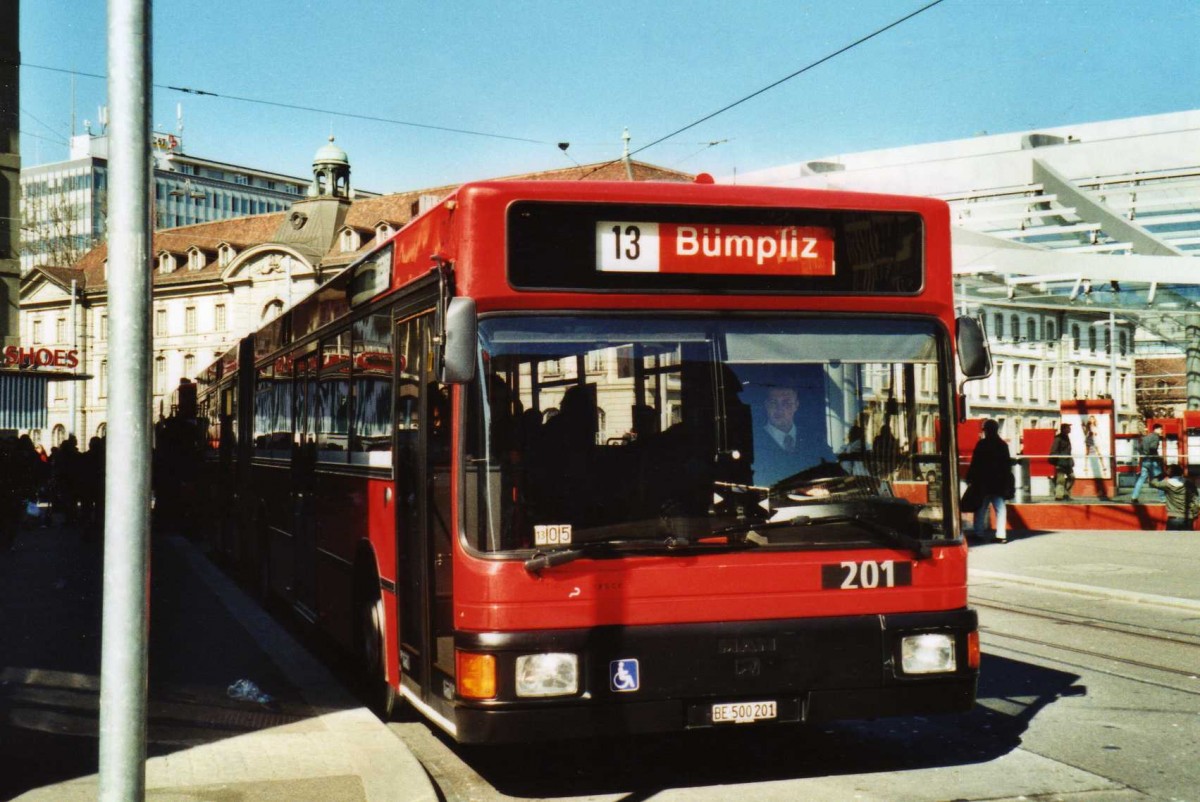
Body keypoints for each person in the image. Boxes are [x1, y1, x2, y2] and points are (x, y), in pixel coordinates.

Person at [752, 385, 835, 486]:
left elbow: (833, 471)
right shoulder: (755, 441)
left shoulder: (813, 439)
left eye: (786, 403)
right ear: (766, 405)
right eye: (773, 402)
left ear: (796, 405)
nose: (779, 409)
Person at [966, 419, 1012, 543]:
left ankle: (978, 533)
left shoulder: (982, 444)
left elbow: (975, 463)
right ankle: (1001, 535)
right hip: (998, 483)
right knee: (1000, 509)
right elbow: (1007, 465)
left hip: (983, 482)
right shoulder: (1002, 445)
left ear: (986, 430)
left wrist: (970, 477)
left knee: (980, 508)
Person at [1149, 464, 1198, 531]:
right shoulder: (1189, 483)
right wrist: (1195, 514)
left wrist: (1163, 474)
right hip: (1188, 517)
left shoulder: (1167, 484)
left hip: (1173, 517)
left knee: (1172, 537)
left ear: (1169, 473)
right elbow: (1195, 500)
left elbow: (1153, 482)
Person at [1130, 424, 1164, 503]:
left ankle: (1134, 497)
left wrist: (1144, 454)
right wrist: (1156, 457)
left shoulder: (1146, 437)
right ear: (1156, 429)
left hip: (1145, 460)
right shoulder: (1156, 437)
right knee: (1159, 478)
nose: (1161, 431)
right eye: (1160, 429)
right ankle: (1163, 498)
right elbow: (1153, 448)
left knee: (1141, 478)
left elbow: (1139, 448)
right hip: (1152, 461)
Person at [1049, 423, 1075, 501]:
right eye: (1068, 428)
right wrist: (1058, 459)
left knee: (1072, 477)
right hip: (1060, 462)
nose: (1070, 429)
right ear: (1063, 429)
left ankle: (1065, 493)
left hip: (1067, 462)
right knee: (1060, 479)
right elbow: (1054, 450)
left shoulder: (1066, 437)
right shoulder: (1058, 438)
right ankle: (1059, 496)